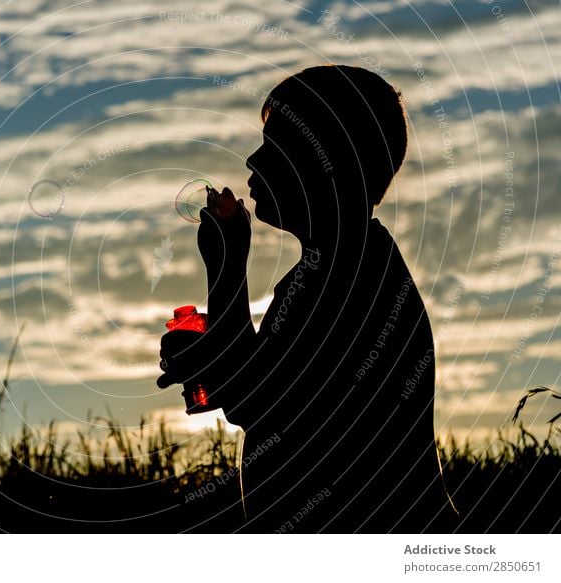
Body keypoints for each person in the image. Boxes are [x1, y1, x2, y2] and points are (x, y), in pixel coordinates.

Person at [157, 64, 458, 533]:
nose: (253, 162)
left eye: (277, 146)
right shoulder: (325, 269)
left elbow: (254, 401)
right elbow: (252, 380)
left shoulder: (354, 275)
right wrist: (207, 353)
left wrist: (228, 263)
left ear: (331, 162)